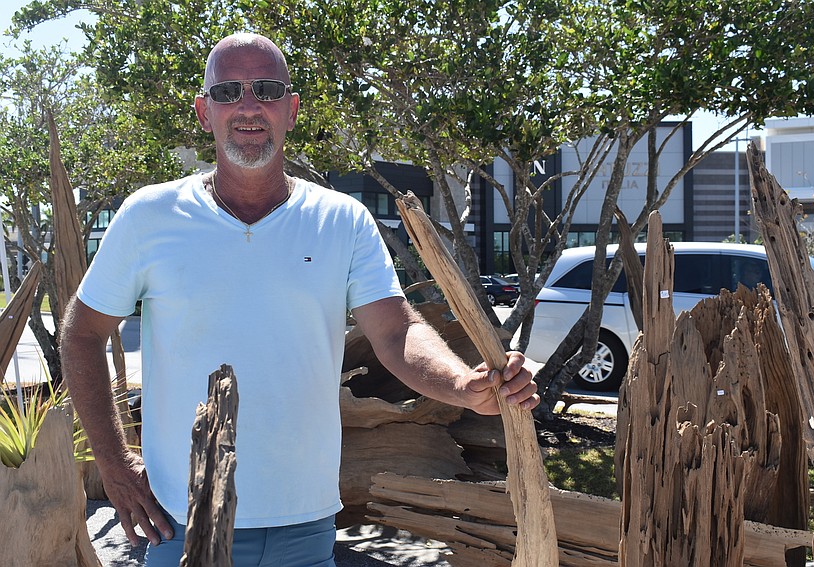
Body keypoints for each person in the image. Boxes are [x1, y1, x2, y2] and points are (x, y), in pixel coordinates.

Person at [60, 32, 539, 567]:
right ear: (204, 112)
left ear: (290, 111)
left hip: (305, 528)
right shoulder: (149, 217)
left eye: (264, 89)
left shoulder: (343, 220)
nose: (247, 106)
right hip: (182, 521)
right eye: (228, 92)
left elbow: (395, 331)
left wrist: (463, 387)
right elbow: (81, 333)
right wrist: (115, 463)